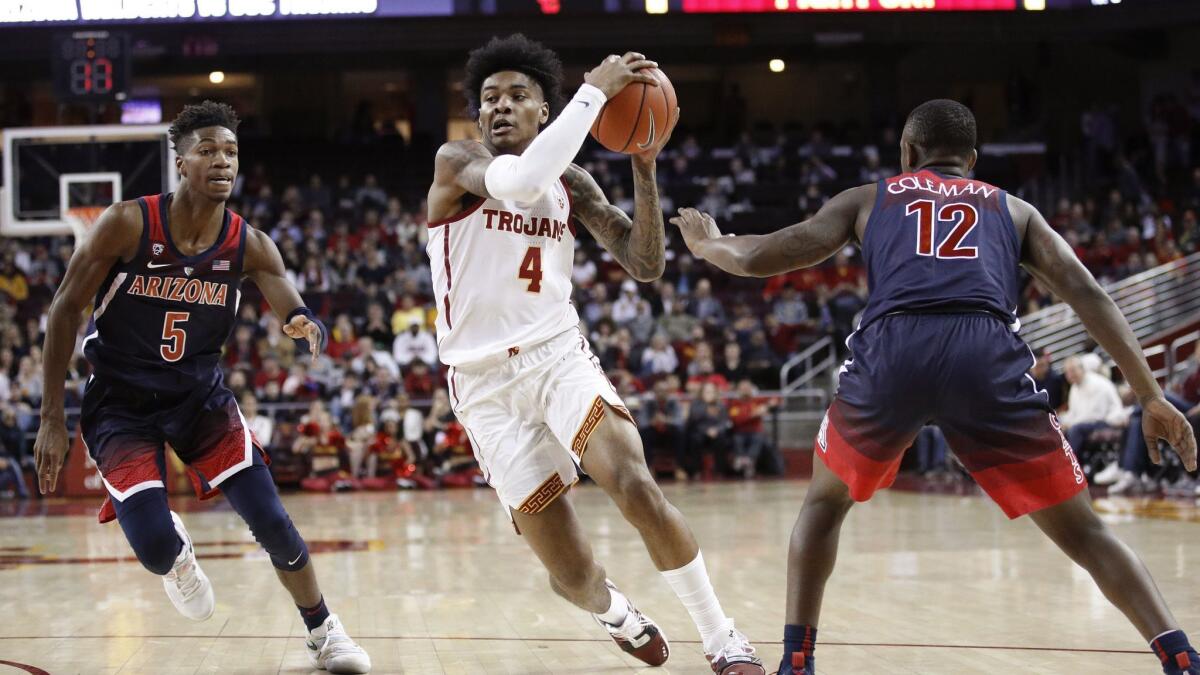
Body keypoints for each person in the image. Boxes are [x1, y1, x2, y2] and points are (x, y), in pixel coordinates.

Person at [672, 99, 1199, 675]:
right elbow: (1090, 294)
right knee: (1085, 531)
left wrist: (707, 245)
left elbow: (761, 256)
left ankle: (797, 662)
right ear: (972, 160)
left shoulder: (871, 198)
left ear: (907, 153)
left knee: (823, 506)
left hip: (894, 351)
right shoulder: (1015, 210)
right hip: (985, 353)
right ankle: (1179, 655)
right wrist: (1150, 394)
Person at [425, 34, 762, 674]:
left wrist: (643, 164)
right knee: (573, 573)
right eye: (489, 98)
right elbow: (521, 182)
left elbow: (645, 262)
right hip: (482, 386)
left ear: (542, 112)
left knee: (634, 483)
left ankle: (723, 638)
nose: (499, 107)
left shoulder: (572, 182)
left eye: (517, 96)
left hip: (557, 357)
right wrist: (595, 91)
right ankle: (616, 614)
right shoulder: (459, 162)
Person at [32, 102, 370, 674]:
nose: (222, 161)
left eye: (231, 151)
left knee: (272, 521)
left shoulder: (249, 243)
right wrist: (51, 417)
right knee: (157, 548)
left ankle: (325, 632)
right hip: (120, 404)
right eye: (208, 150)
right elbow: (65, 309)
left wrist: (301, 320)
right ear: (181, 162)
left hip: (201, 402)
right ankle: (178, 555)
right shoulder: (127, 223)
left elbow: (285, 294)